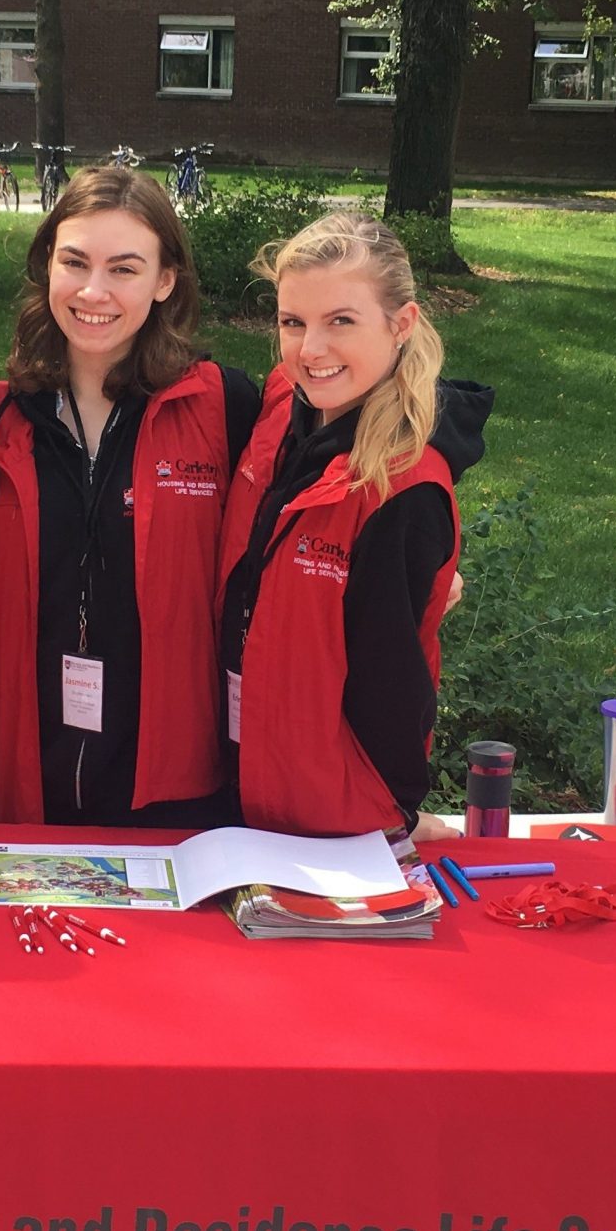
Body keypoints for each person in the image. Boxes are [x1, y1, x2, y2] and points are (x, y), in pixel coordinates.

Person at [0, 168, 261, 827]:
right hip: (28, 780)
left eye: (125, 269)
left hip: (172, 783)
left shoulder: (224, 408)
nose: (94, 291)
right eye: (75, 262)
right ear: (47, 267)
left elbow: (336, 452)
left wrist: (421, 547)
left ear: (165, 282)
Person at [218, 211, 492, 839]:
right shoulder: (284, 408)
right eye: (293, 323)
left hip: (333, 818)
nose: (310, 350)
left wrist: (394, 815)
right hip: (242, 780)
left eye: (340, 321)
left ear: (402, 324)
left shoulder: (403, 491)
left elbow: (393, 687)